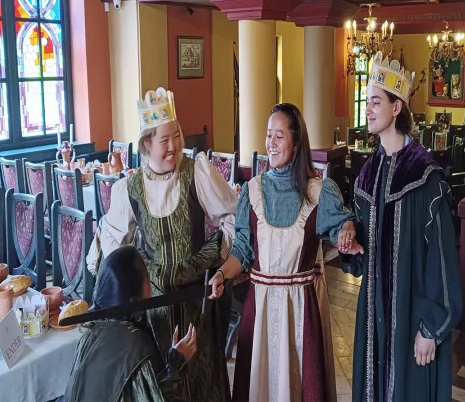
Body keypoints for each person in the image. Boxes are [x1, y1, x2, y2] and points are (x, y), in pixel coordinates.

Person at [208, 103, 360, 402]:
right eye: (268, 135)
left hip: (300, 312)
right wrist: (221, 273)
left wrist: (348, 232)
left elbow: (343, 223)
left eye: (279, 135)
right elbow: (242, 249)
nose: (271, 143)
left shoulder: (319, 191)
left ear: (296, 141)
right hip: (260, 309)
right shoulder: (251, 191)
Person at [98, 87, 236, 401]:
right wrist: (139, 273)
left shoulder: (196, 173)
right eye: (164, 140)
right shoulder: (130, 188)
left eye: (176, 135)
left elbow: (232, 217)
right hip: (155, 311)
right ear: (147, 143)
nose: (174, 146)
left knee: (202, 380)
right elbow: (113, 244)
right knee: (166, 381)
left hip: (196, 303)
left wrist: (209, 257)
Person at [341, 51, 462, 401]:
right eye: (367, 101)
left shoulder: (425, 178)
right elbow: (363, 252)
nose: (368, 108)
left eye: (376, 102)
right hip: (373, 310)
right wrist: (350, 241)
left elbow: (441, 260)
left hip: (413, 313)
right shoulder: (367, 174)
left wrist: (430, 327)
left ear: (397, 108)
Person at [65, 246, 198, 402]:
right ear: (135, 299)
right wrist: (177, 363)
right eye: (147, 278)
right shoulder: (137, 345)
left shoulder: (89, 333)